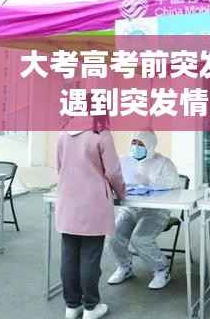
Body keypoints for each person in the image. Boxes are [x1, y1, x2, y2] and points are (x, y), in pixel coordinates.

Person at [56, 114, 125, 319]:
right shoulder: (100, 133)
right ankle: (91, 307)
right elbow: (113, 172)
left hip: (67, 202)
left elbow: (59, 167)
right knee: (90, 256)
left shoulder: (63, 133)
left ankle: (72, 306)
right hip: (93, 204)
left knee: (69, 256)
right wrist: (121, 193)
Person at [108, 130, 180, 290]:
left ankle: (162, 270)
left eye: (140, 144)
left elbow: (175, 189)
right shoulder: (124, 161)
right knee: (113, 235)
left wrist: (150, 182)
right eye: (134, 142)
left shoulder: (163, 163)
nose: (136, 147)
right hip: (131, 208)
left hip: (155, 211)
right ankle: (124, 266)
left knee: (140, 239)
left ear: (150, 145)